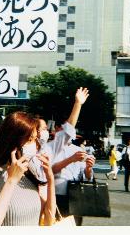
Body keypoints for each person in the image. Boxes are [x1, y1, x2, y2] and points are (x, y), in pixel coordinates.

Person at [0, 111, 56, 226]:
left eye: (36, 139)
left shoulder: (30, 171)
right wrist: (11, 180)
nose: (36, 145)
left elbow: (48, 220)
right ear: (12, 141)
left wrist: (50, 180)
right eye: (30, 140)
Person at [39, 87, 92, 226]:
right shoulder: (47, 147)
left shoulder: (77, 149)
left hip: (75, 195)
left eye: (45, 128)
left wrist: (88, 168)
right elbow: (47, 171)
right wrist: (77, 104)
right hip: (55, 195)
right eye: (43, 129)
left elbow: (86, 176)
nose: (45, 132)